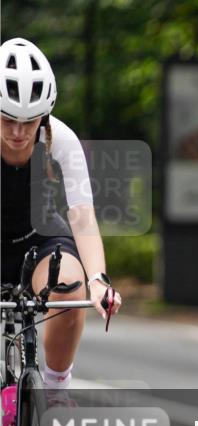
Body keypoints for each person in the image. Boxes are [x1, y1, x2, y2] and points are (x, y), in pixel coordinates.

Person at [0, 37, 123, 397]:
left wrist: (99, 280)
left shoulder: (60, 139)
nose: (19, 133)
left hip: (37, 239)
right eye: (7, 120)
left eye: (29, 121)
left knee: (71, 291)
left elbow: (82, 215)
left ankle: (55, 392)